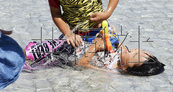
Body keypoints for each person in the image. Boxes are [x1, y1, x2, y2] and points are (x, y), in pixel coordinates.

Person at [24, 26, 165, 76]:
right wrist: (111, 34)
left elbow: (82, 64)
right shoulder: (123, 52)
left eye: (134, 54)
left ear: (126, 69)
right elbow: (118, 44)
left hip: (65, 55)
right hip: (75, 41)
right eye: (139, 49)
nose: (133, 49)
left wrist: (95, 47)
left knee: (30, 57)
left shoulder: (110, 71)